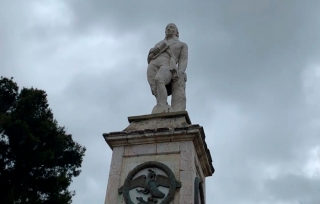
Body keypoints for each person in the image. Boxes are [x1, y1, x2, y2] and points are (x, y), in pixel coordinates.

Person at [147, 23, 188, 113]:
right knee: (154, 88)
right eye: (167, 28)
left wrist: (180, 71)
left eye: (172, 27)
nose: (169, 29)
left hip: (167, 64)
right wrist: (151, 51)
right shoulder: (160, 43)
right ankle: (164, 106)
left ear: (177, 32)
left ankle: (161, 105)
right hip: (153, 63)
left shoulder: (182, 45)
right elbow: (150, 56)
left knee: (159, 79)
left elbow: (183, 60)